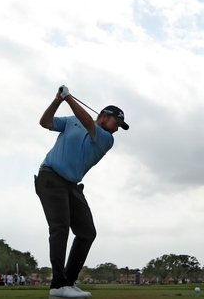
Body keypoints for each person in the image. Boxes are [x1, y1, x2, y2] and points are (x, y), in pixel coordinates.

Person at [35, 85, 128, 298]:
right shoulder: (71, 120)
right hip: (50, 176)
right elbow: (45, 122)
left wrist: (67, 98)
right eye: (116, 123)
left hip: (72, 185)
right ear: (104, 116)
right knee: (61, 227)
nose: (117, 129)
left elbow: (87, 121)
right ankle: (58, 285)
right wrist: (58, 100)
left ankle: (67, 280)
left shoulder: (106, 139)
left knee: (87, 232)